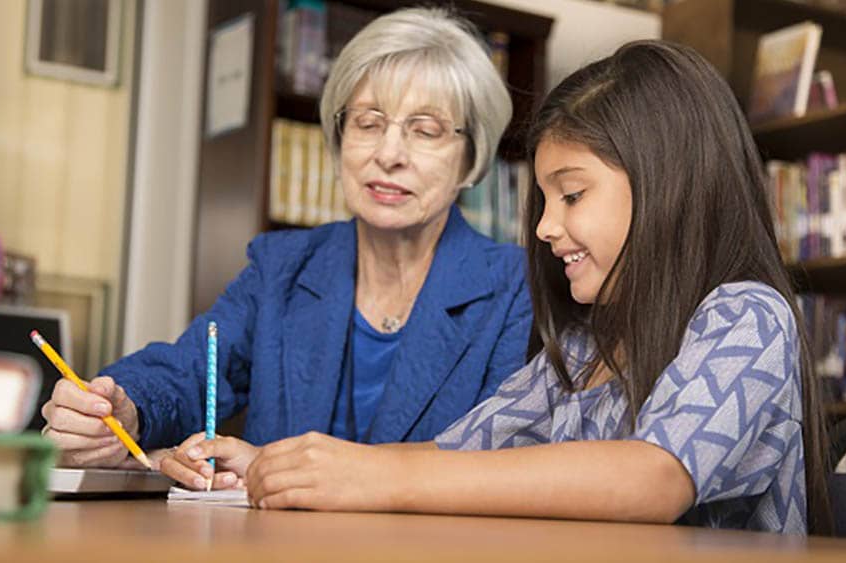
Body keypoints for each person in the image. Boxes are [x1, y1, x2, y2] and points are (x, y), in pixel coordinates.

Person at [160, 40, 832, 535]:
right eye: (543, 200)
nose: (545, 227)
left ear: (669, 188)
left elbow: (651, 476)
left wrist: (371, 476)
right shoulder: (582, 348)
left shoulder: (748, 316)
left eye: (570, 194)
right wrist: (294, 465)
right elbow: (456, 451)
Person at [39, 7, 531, 469]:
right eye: (368, 122)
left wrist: (285, 470)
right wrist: (123, 408)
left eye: (425, 130)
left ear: (472, 160)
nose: (389, 153)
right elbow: (190, 372)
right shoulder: (284, 266)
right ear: (338, 140)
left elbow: (500, 462)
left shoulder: (515, 289)